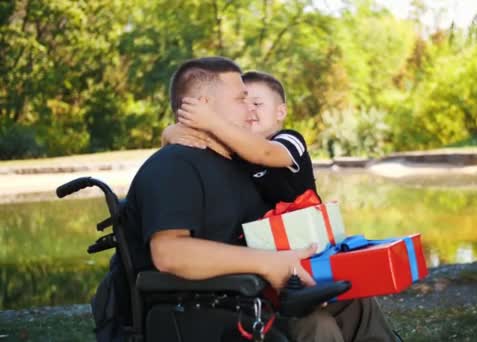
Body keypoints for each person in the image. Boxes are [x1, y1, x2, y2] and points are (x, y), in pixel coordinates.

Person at [127, 56, 398, 341]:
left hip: (263, 290)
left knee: (355, 303)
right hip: (214, 307)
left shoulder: (241, 162)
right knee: (316, 324)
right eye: (241, 99)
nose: (251, 109)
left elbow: (264, 156)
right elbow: (169, 254)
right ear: (204, 106)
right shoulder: (175, 165)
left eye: (255, 102)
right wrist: (269, 263)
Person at [162, 71, 316, 205]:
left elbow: (265, 153)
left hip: (306, 232)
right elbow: (200, 146)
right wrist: (169, 133)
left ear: (280, 112)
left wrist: (213, 121)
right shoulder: (234, 149)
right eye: (242, 102)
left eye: (257, 103)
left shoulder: (290, 139)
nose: (249, 109)